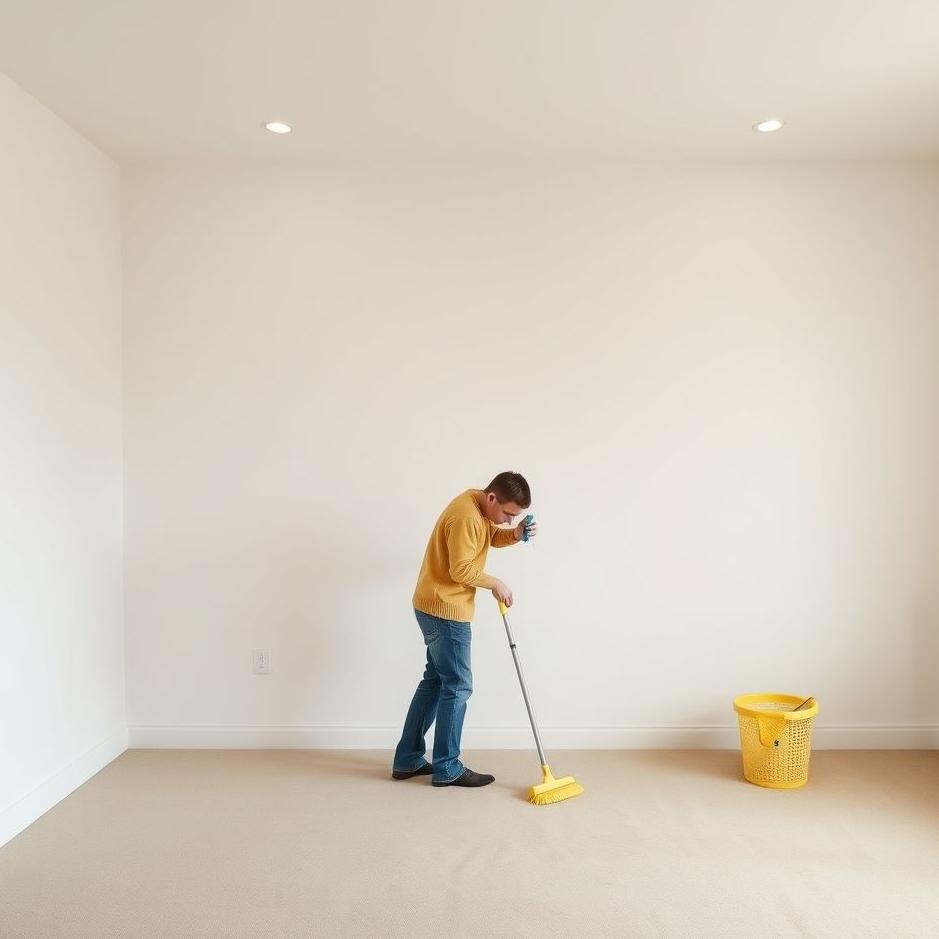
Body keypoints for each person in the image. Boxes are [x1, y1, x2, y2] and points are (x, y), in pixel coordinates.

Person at [392, 472, 536, 788]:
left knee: (434, 682)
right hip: (446, 611)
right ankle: (447, 767)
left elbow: (488, 536)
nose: (510, 521)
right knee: (457, 684)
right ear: (493, 498)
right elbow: (461, 569)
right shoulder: (465, 515)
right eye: (509, 515)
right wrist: (495, 583)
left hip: (431, 605)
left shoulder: (477, 504)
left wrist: (516, 534)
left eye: (516, 518)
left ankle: (408, 759)